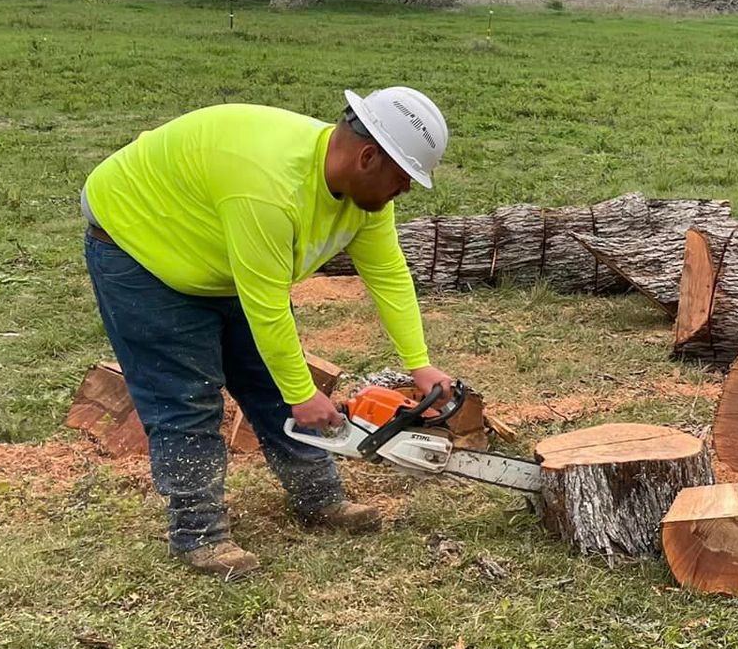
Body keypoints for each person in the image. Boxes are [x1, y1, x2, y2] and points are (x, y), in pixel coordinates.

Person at [81, 88, 460, 579]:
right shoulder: (269, 187)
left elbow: (388, 275)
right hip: (140, 245)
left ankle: (319, 499)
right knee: (186, 395)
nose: (405, 190)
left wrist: (419, 361)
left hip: (218, 248)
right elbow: (266, 301)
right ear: (369, 157)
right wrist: (302, 394)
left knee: (271, 380)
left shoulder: (364, 201)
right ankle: (199, 534)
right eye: (404, 178)